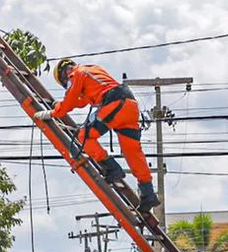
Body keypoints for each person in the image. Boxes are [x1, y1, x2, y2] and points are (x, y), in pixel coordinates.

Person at [33, 58, 160, 211]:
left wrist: (52, 113)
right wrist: (58, 105)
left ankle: (112, 167)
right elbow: (80, 101)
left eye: (65, 81)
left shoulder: (77, 74)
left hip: (115, 103)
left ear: (66, 73)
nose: (67, 83)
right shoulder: (91, 70)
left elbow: (71, 100)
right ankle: (148, 192)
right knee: (132, 152)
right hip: (129, 106)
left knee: (84, 136)